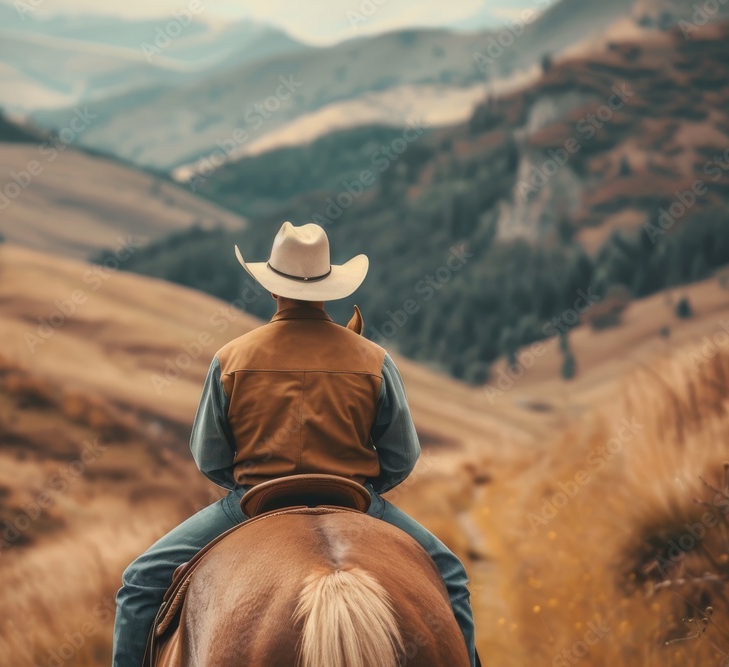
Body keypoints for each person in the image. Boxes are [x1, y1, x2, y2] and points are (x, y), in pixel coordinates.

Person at [112, 221, 478, 666]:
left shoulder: (231, 358)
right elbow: (402, 457)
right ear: (328, 288)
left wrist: (246, 482)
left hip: (253, 500)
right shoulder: (374, 360)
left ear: (272, 288)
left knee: (139, 584)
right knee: (451, 577)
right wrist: (366, 490)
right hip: (356, 499)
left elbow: (209, 457)